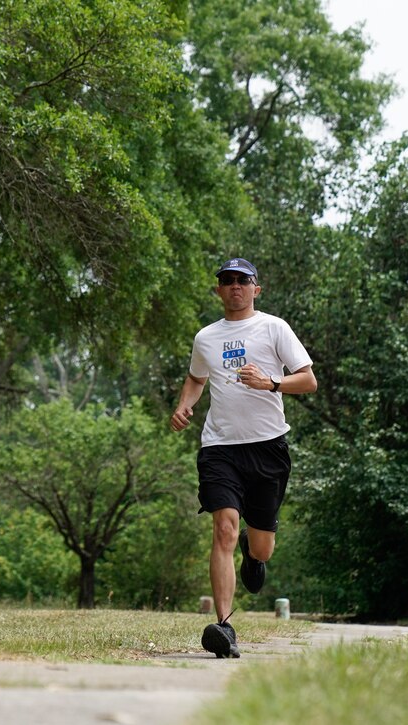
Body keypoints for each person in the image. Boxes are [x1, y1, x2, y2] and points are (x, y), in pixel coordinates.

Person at [170, 258, 316, 658]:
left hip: (268, 446)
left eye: (242, 280)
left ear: (256, 289)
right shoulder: (206, 338)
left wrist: (271, 383)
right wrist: (186, 405)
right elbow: (197, 377)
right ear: (218, 290)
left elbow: (308, 379)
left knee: (262, 547)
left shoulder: (274, 328)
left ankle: (255, 551)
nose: (234, 286)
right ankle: (224, 627)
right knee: (224, 530)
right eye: (226, 280)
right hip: (220, 447)